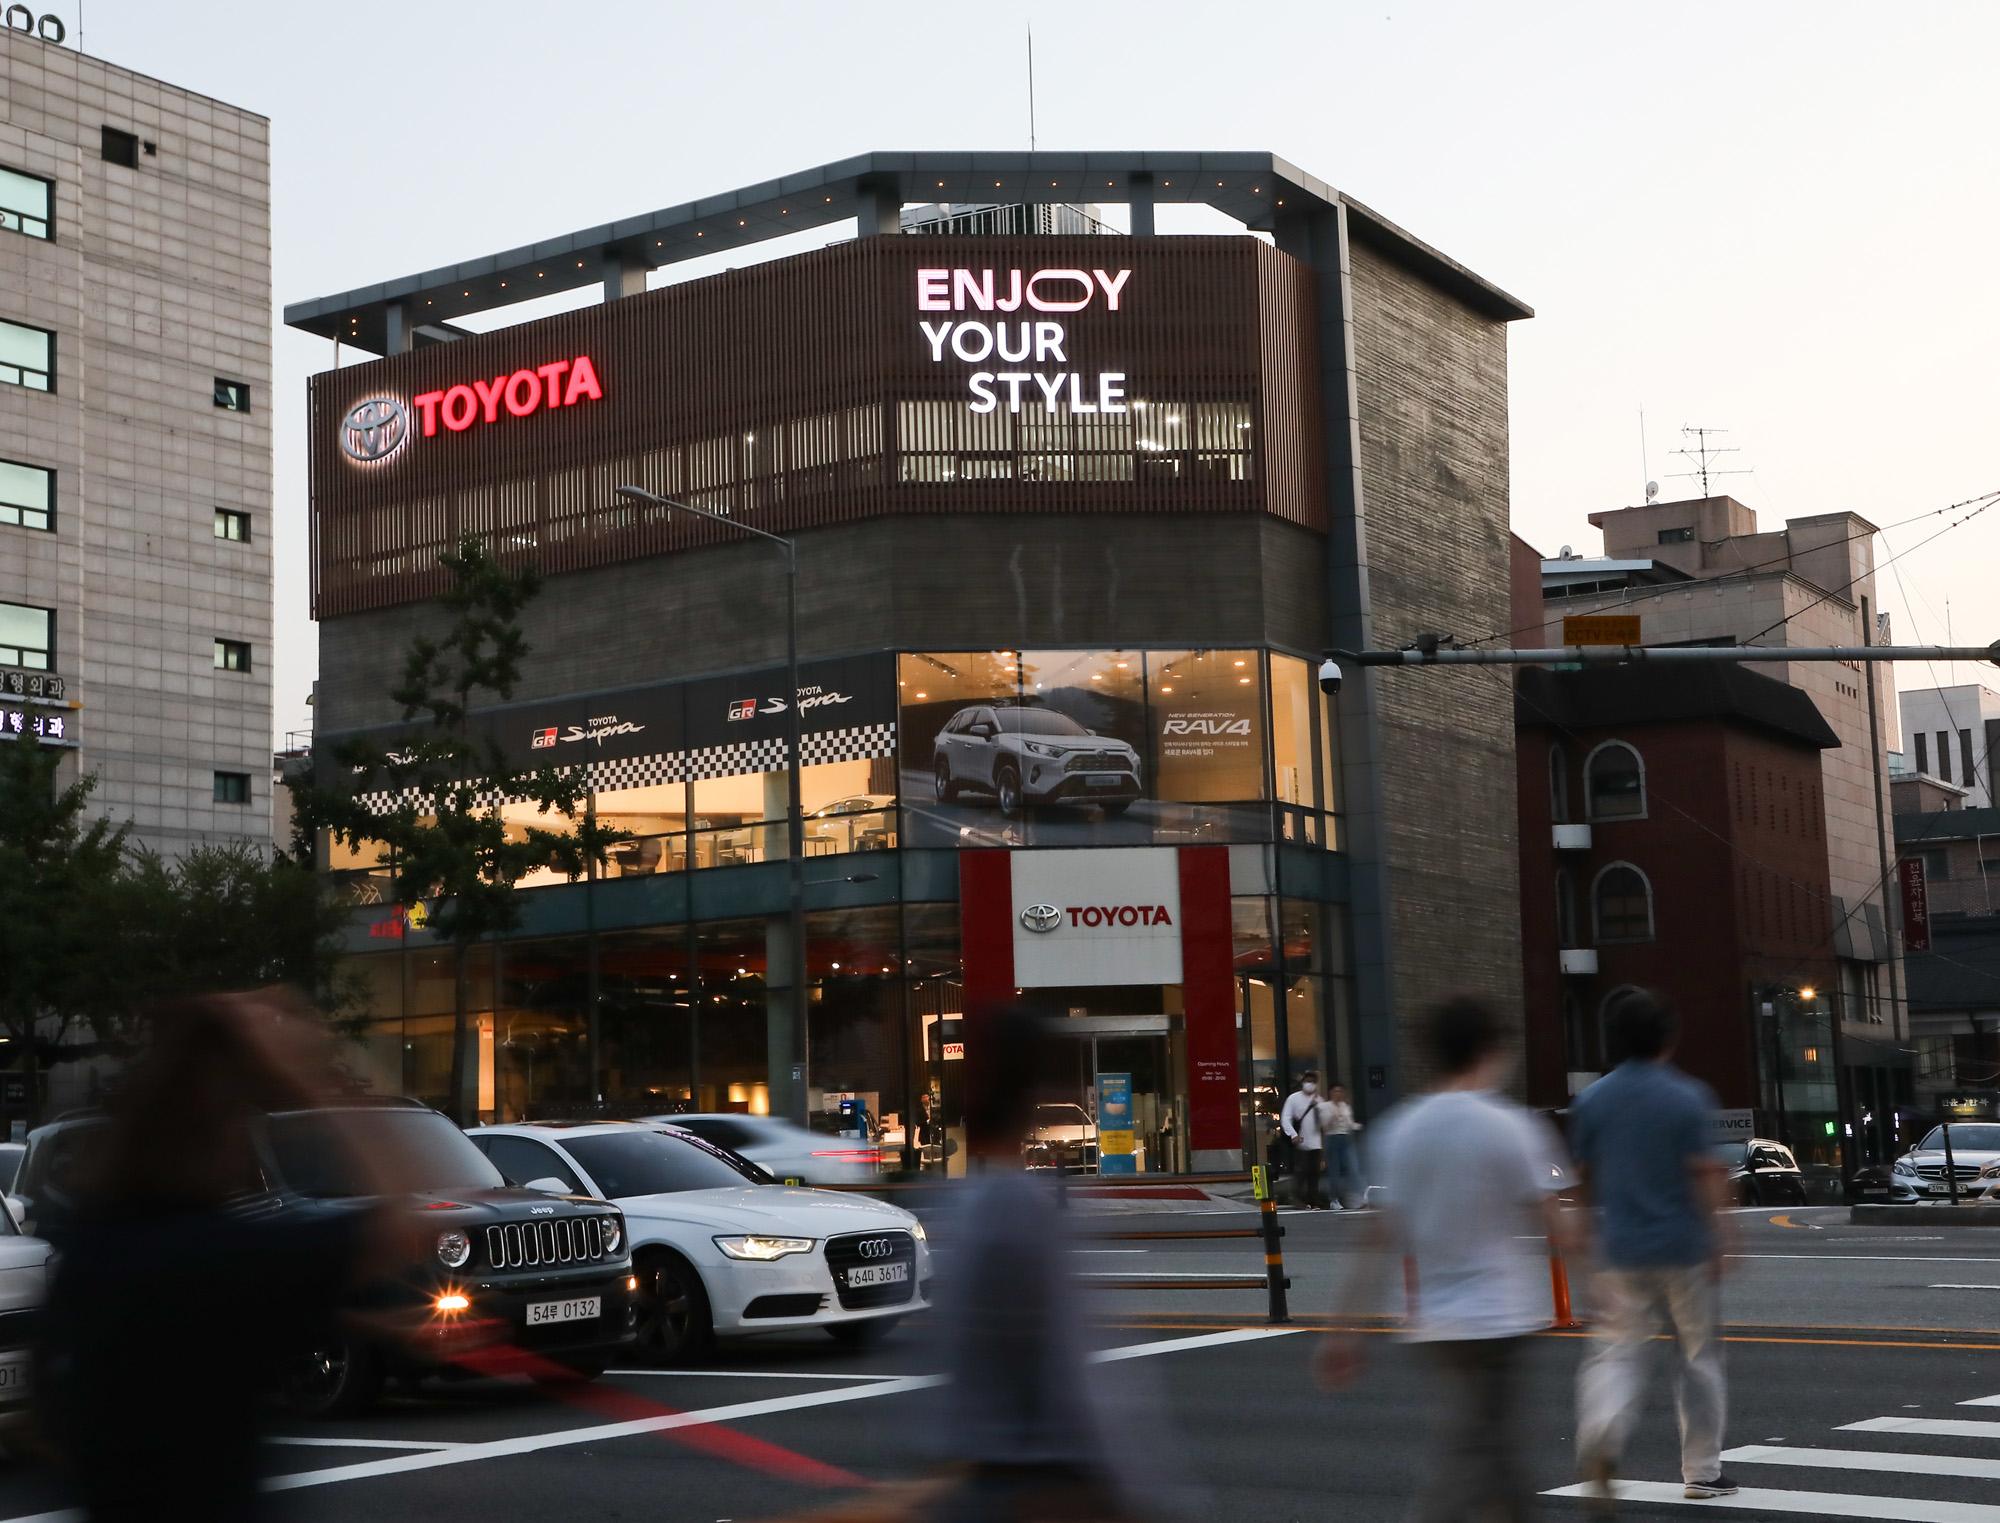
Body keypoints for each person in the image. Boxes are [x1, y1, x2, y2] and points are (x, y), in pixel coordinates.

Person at [1315, 998, 1571, 1523]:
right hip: (1496, 1320)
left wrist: (1342, 1329)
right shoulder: (1508, 1124)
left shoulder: (1400, 1130)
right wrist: (1605, 1288)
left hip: (1437, 1324)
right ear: (1488, 1051)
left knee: (1495, 1465)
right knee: (1478, 1459)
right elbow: (1556, 1219)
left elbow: (1378, 1238)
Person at [1570, 988, 1738, 1508]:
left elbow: (1579, 1180)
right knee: (1698, 1360)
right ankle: (1701, 1472)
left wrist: (1581, 1245)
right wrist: (1723, 1235)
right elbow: (1706, 1174)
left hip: (1620, 1247)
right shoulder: (1687, 1095)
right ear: (1667, 1038)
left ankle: (1601, 1434)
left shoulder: (1593, 1099)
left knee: (1615, 1352)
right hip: (1683, 1246)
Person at [1279, 1070, 1332, 1208]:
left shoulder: (1319, 1101)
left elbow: (1324, 1123)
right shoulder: (1293, 1098)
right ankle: (1297, 1198)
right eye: (1308, 1081)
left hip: (1315, 1143)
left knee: (1314, 1174)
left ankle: (1311, 1201)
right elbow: (1286, 1118)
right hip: (1300, 1142)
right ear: (1303, 1082)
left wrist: (1318, 1109)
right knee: (1302, 1172)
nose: (1310, 1084)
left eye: (1313, 1082)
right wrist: (1293, 1135)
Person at [1323, 1083, 1363, 1208]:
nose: (1338, 1094)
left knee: (1353, 1167)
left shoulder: (1346, 1107)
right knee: (1335, 1171)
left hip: (1346, 1138)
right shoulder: (1325, 1107)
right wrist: (1332, 1117)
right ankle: (1334, 1200)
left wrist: (1357, 1126)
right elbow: (1324, 1126)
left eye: (1340, 1091)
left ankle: (1358, 1196)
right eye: (1335, 1091)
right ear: (1330, 1093)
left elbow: (1350, 1124)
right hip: (1332, 1137)